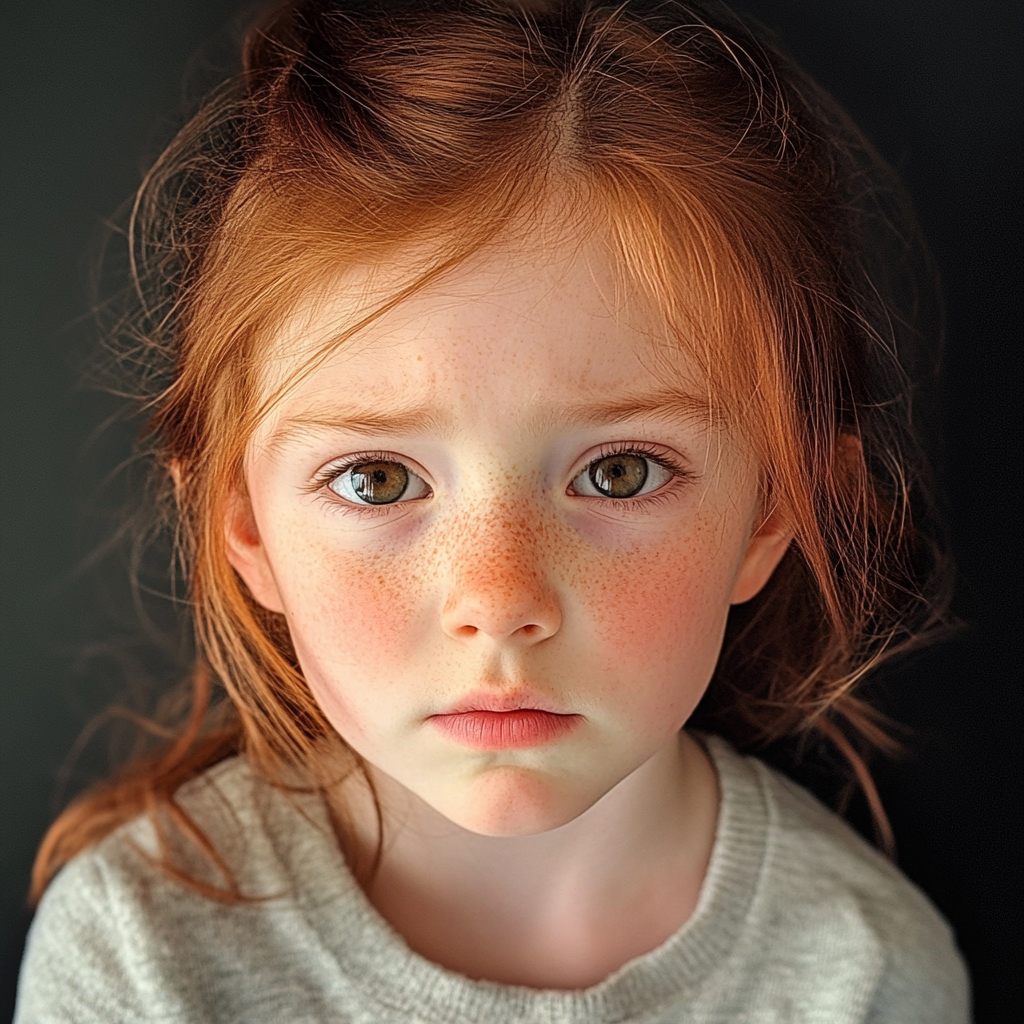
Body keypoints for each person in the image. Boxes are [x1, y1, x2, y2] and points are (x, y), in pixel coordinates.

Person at [15, 1, 970, 1020]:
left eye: (619, 474)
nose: (499, 601)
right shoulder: (141, 951)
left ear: (775, 509)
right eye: (377, 480)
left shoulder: (862, 973)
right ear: (243, 526)